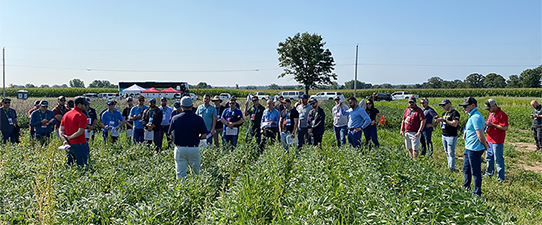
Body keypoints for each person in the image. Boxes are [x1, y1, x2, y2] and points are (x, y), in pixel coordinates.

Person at [168, 96, 207, 179]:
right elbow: (204, 136)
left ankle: (182, 191)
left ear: (181, 107)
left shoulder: (175, 118)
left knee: (180, 174)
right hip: (194, 148)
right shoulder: (198, 119)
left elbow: (170, 135)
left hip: (180, 148)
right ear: (192, 106)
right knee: (196, 174)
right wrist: (196, 138)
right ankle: (196, 190)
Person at [460, 97, 489, 196]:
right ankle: (466, 186)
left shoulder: (476, 117)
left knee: (475, 171)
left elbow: (480, 135)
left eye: (466, 106)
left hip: (474, 149)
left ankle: (477, 192)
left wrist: (485, 145)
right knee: (466, 168)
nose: (464, 108)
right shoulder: (472, 116)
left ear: (473, 105)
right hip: (469, 147)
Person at [60, 97, 90, 166]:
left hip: (68, 144)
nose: (87, 106)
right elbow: (80, 131)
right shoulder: (82, 116)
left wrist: (65, 139)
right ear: (79, 105)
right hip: (80, 144)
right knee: (82, 165)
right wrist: (69, 137)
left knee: (70, 165)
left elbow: (61, 129)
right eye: (85, 104)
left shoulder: (66, 114)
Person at [483, 99, 508, 181]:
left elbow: (505, 127)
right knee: (489, 157)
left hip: (497, 140)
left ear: (494, 106)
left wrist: (492, 125)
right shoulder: (491, 113)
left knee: (498, 159)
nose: (488, 110)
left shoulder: (502, 114)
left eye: (489, 108)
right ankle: (489, 173)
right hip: (489, 139)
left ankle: (500, 177)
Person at [435, 99, 461, 172]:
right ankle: (449, 165)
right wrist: (439, 120)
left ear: (449, 104)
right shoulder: (444, 114)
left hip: (451, 136)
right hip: (444, 135)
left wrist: (444, 120)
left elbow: (455, 123)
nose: (443, 107)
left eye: (444, 105)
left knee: (451, 152)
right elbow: (442, 125)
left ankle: (451, 168)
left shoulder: (455, 113)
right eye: (442, 105)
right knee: (446, 152)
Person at [400, 96, 426, 160]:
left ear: (415, 102)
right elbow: (403, 120)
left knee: (415, 148)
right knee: (409, 148)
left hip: (415, 133)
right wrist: (401, 130)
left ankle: (415, 161)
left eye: (412, 102)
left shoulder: (419, 110)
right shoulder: (407, 110)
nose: (411, 104)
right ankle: (411, 159)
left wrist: (419, 131)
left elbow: (423, 120)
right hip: (407, 132)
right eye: (410, 102)